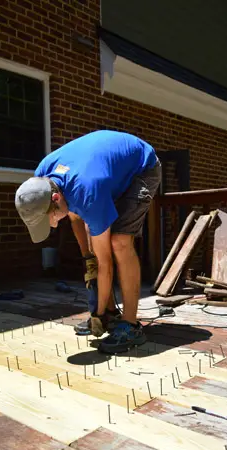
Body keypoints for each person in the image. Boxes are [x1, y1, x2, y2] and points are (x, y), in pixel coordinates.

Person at [15, 130, 161, 353]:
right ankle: (110, 314)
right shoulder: (42, 179)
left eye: (50, 218)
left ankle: (130, 324)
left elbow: (105, 264)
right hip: (104, 173)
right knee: (95, 245)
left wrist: (96, 313)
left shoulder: (87, 190)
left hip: (141, 167)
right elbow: (75, 216)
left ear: (55, 198)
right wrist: (87, 257)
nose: (53, 225)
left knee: (118, 242)